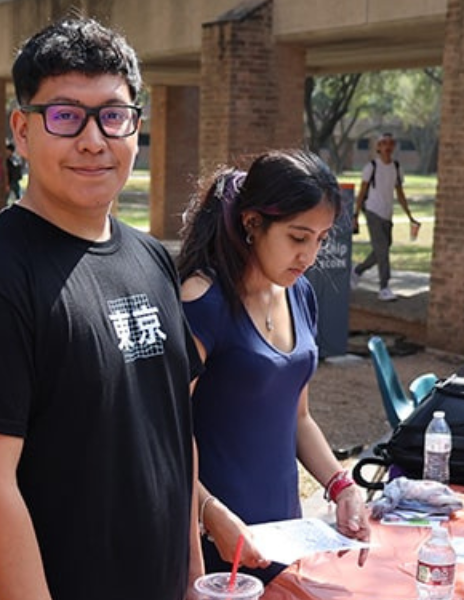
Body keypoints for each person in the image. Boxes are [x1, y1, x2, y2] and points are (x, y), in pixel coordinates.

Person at [0, 17, 198, 600]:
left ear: (135, 127)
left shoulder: (152, 259)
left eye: (113, 116)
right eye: (66, 116)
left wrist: (193, 579)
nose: (94, 140)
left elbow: (176, 439)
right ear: (22, 131)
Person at [177, 150, 368, 583]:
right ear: (252, 222)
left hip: (284, 531)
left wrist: (342, 486)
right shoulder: (203, 300)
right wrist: (208, 512)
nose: (309, 256)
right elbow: (164, 431)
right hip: (214, 532)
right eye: (298, 237)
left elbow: (298, 417)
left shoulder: (299, 294)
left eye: (320, 240)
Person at [352, 132, 420, 301]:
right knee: (383, 251)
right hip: (373, 212)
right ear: (378, 147)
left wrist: (410, 216)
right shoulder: (371, 167)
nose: (387, 147)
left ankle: (357, 271)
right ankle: (384, 287)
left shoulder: (397, 168)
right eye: (384, 144)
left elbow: (400, 193)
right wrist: (356, 214)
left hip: (387, 214)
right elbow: (361, 192)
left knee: (380, 250)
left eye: (390, 143)